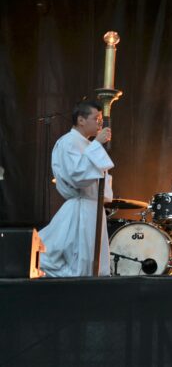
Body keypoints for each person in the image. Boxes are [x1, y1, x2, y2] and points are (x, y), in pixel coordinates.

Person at [39, 100, 114, 276]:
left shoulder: (87, 144)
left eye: (101, 119)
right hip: (81, 207)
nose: (100, 123)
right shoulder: (68, 142)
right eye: (96, 119)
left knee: (94, 262)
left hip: (93, 208)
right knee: (75, 259)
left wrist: (95, 146)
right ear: (81, 120)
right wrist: (97, 144)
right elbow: (77, 176)